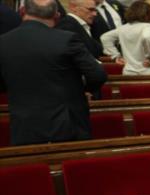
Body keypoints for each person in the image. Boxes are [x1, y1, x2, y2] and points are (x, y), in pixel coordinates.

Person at [0, 0, 106, 146]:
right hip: (67, 124)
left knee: (35, 167)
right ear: (57, 15)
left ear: (23, 11)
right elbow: (98, 74)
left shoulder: (3, 42)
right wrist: (86, 90)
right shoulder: (66, 39)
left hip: (24, 125)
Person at [101, 0, 150, 75]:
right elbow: (146, 37)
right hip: (147, 70)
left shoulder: (123, 28)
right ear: (147, 14)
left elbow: (105, 38)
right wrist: (149, 57)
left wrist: (115, 56)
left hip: (129, 71)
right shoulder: (148, 26)